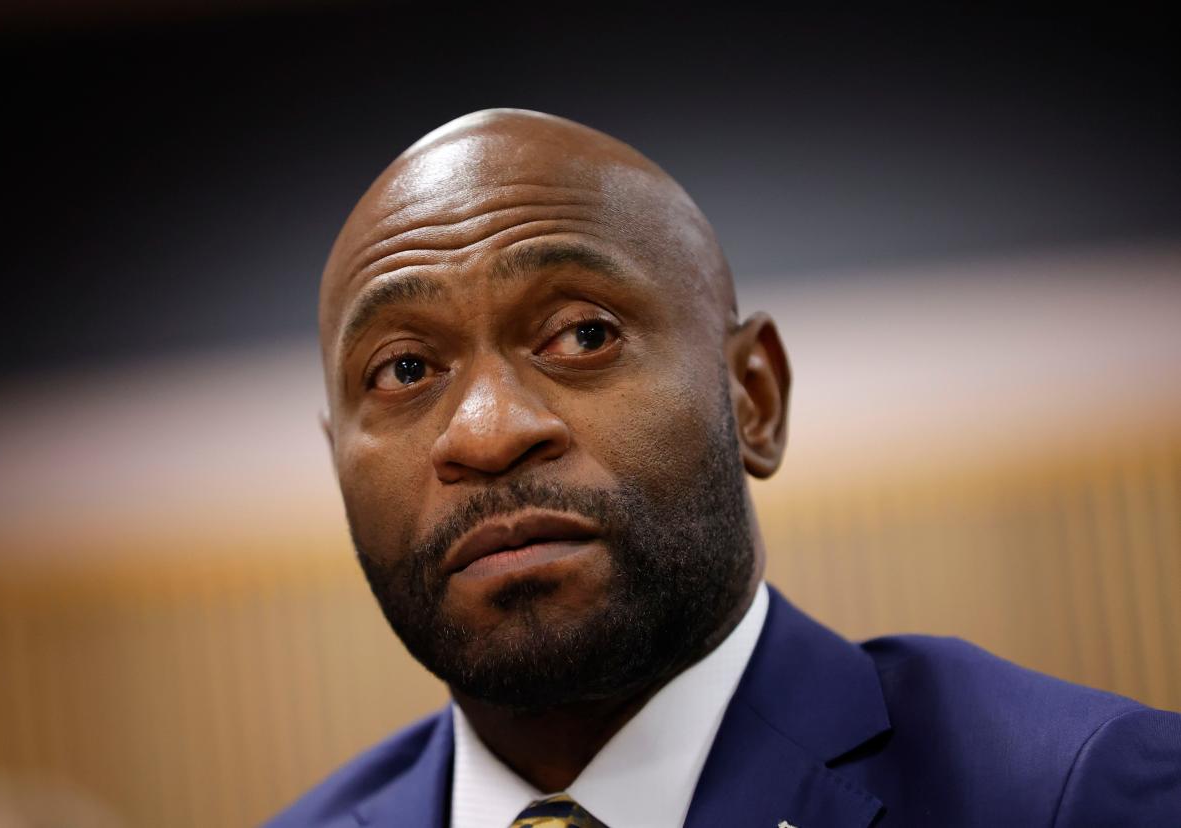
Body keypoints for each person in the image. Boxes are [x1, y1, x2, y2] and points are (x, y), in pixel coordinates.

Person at [268, 109, 1180, 827]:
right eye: (404, 371)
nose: (486, 433)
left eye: (583, 335)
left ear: (754, 398)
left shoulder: (1075, 792)